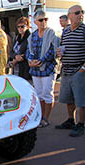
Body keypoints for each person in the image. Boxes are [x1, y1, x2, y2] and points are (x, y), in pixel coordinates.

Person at [26, 9, 60, 128]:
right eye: (41, 20)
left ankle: (46, 118)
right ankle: (40, 117)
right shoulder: (32, 36)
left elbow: (53, 51)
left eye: (45, 19)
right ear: (35, 22)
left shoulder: (52, 34)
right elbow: (29, 50)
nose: (43, 22)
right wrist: (30, 60)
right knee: (39, 94)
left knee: (47, 93)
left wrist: (40, 61)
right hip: (35, 70)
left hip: (48, 68)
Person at [55, 5, 85, 137]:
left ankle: (81, 124)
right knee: (68, 98)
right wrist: (59, 52)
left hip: (79, 70)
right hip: (66, 70)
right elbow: (63, 47)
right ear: (70, 15)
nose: (81, 14)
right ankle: (71, 120)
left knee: (81, 100)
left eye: (82, 12)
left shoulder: (84, 30)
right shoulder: (66, 32)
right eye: (78, 12)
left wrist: (83, 69)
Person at [9, 17, 32, 81]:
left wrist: (21, 57)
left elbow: (30, 51)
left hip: (25, 68)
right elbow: (11, 52)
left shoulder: (30, 38)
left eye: (22, 26)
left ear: (27, 26)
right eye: (18, 27)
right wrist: (15, 56)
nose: (20, 28)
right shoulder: (16, 38)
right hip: (16, 68)